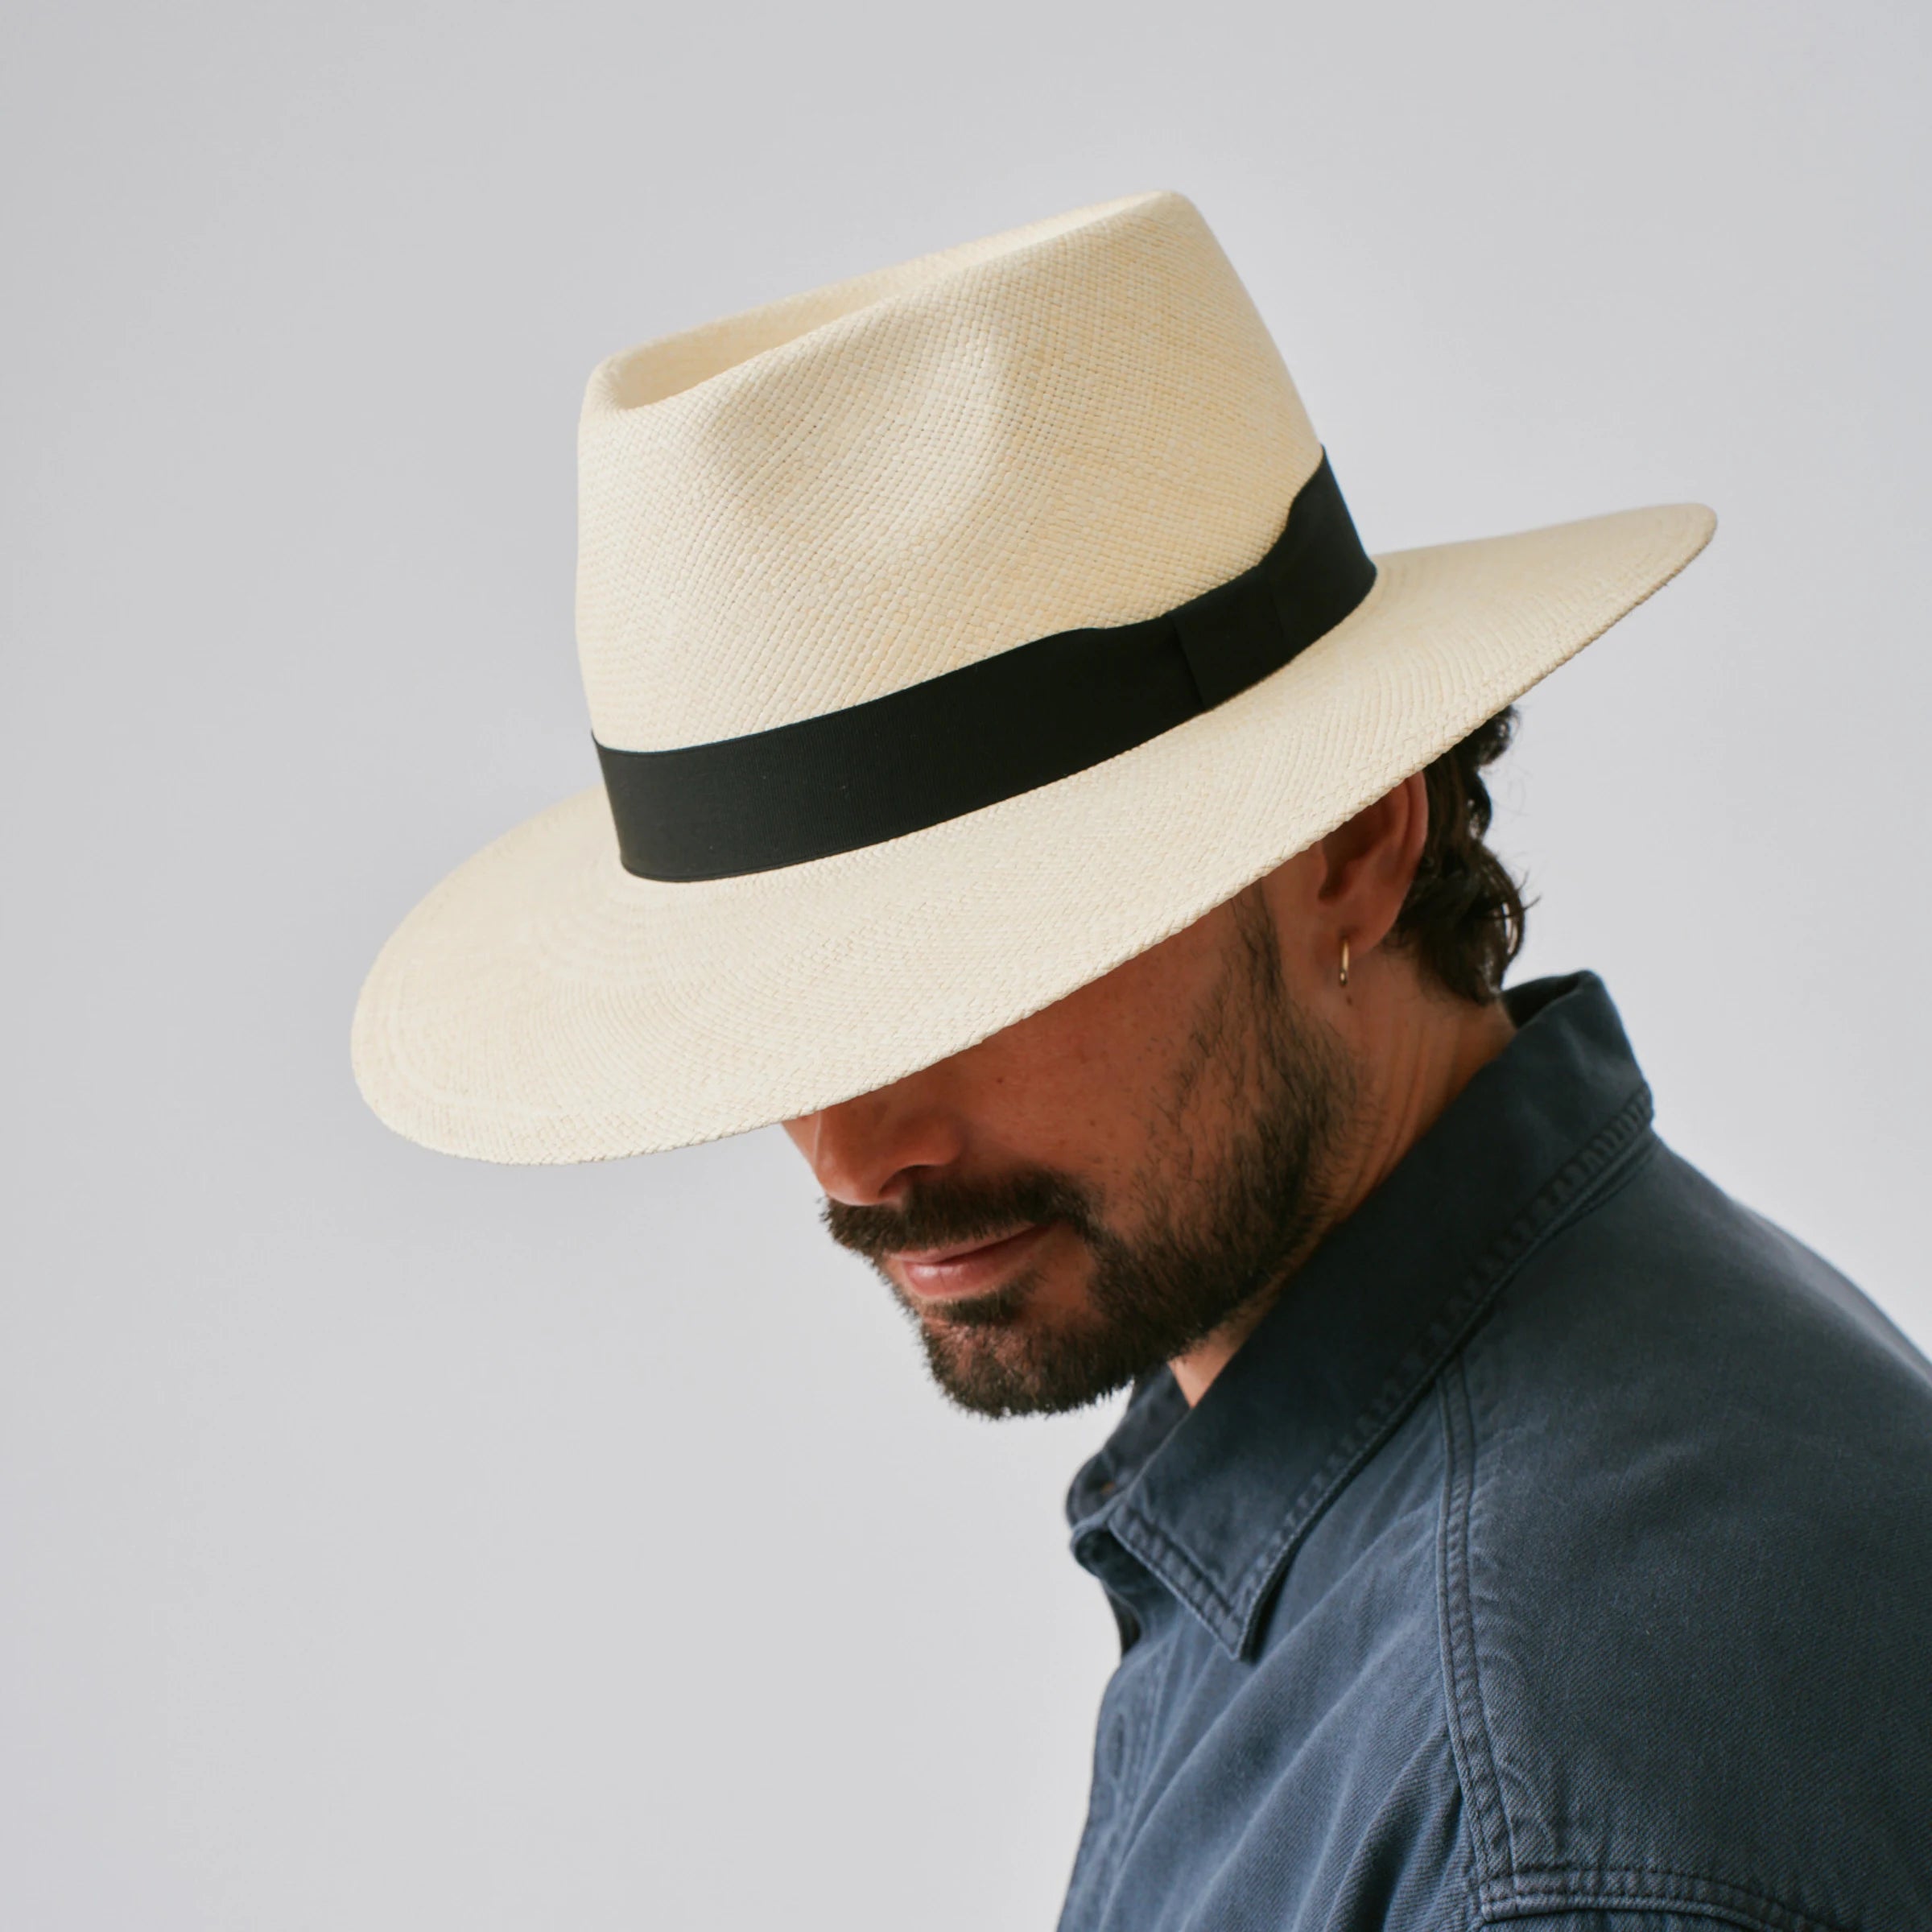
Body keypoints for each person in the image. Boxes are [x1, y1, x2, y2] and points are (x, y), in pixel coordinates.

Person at [354, 192, 1932, 1930]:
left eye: (954, 974)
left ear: (1350, 842)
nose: (850, 1150)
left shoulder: (1547, 1770)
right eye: (777, 1020)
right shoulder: (1485, 1441)